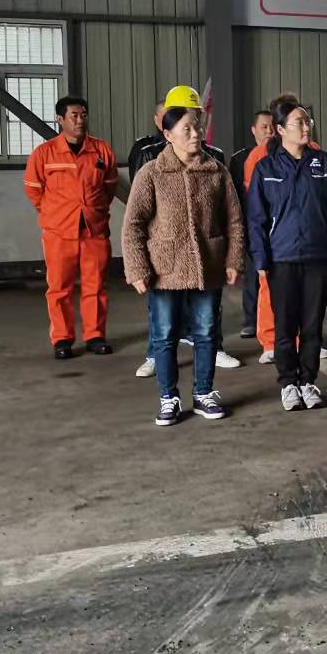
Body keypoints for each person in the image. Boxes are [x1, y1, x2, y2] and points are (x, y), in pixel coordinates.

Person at [122, 107, 245, 425]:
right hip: (164, 270)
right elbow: (133, 224)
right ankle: (169, 398)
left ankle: (204, 393)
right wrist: (137, 269)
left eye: (197, 127)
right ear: (168, 135)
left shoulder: (216, 171)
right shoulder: (151, 173)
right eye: (186, 129)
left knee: (206, 333)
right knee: (164, 336)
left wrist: (233, 259)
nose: (196, 134)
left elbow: (234, 220)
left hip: (208, 266)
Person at [247, 100, 327, 412]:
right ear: (280, 129)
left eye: (308, 122)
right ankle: (288, 382)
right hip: (282, 258)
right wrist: (260, 259)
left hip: (318, 257)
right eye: (298, 123)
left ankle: (308, 380)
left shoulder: (324, 164)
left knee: (313, 325)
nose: (306, 128)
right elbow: (256, 219)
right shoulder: (266, 168)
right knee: (286, 325)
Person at [23, 96, 119, 359]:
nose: (80, 120)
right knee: (59, 288)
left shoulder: (101, 151)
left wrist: (95, 211)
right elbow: (34, 190)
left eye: (83, 115)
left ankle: (95, 336)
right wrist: (55, 213)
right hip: (58, 232)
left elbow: (109, 187)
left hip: (94, 230)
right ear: (60, 119)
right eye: (74, 116)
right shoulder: (44, 154)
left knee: (95, 286)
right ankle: (62, 339)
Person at [231, 109, 274, 340]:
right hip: (250, 223)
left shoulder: (278, 155)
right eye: (264, 127)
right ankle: (250, 320)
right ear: (253, 130)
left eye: (272, 126)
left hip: (275, 226)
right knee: (252, 275)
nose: (269, 131)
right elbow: (235, 194)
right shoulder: (241, 159)